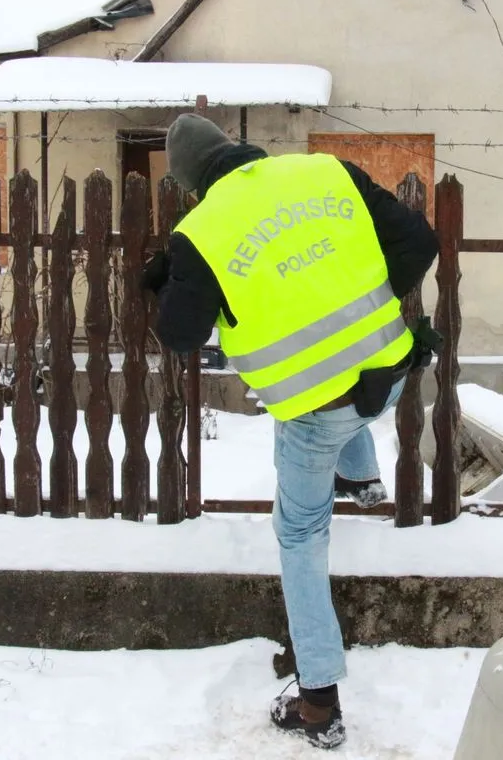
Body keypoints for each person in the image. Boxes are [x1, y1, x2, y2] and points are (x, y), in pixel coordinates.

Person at [142, 114, 439, 749]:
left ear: (192, 183)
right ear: (234, 149)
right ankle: (362, 478)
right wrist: (371, 305)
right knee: (345, 398)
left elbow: (181, 335)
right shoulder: (324, 172)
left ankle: (318, 703)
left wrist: (167, 282)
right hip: (389, 375)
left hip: (317, 411)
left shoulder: (201, 232)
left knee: (301, 536)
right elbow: (419, 243)